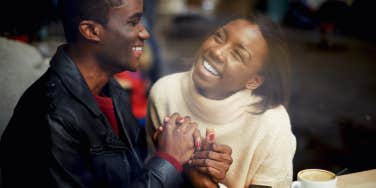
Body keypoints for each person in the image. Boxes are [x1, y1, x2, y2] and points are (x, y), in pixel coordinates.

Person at [0, 0, 200, 187]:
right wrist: (168, 160)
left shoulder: (113, 92)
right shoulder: (50, 117)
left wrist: (180, 162)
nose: (145, 33)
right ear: (91, 31)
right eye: (133, 22)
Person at [146, 15, 296, 187]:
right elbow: (153, 179)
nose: (217, 51)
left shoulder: (272, 123)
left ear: (253, 81)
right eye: (219, 37)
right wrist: (174, 160)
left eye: (238, 55)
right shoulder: (165, 92)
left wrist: (205, 184)